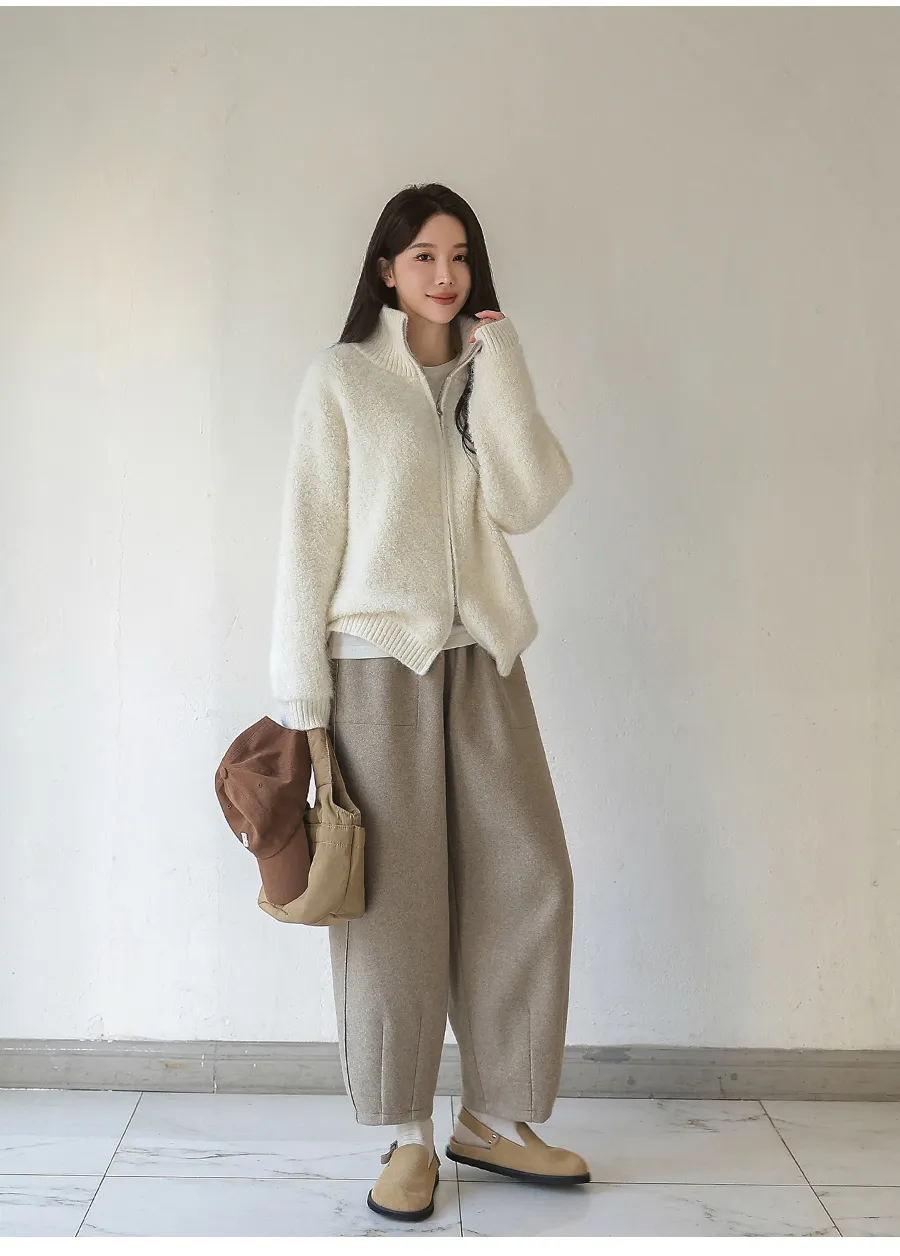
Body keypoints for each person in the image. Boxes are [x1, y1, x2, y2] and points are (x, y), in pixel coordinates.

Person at [269, 182, 589, 1222]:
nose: (444, 274)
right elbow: (307, 533)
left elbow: (529, 499)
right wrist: (302, 691)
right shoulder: (342, 379)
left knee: (529, 876)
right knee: (396, 905)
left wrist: (505, 364)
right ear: (386, 268)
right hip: (375, 662)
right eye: (423, 256)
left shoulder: (487, 371)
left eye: (458, 255)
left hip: (484, 654)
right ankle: (406, 1132)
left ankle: (495, 1116)